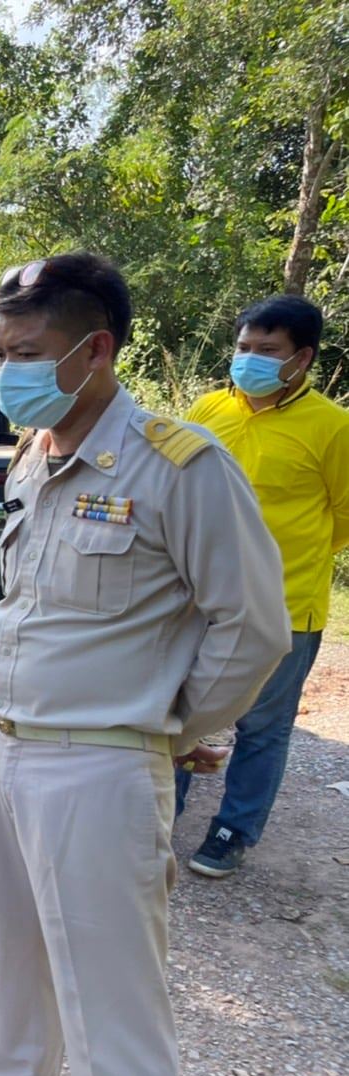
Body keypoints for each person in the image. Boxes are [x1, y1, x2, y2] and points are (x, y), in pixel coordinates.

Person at [0, 253, 291, 1076]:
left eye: (28, 353)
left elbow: (253, 625)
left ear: (97, 350)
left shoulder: (180, 465)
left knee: (113, 1009)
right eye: (1, 352)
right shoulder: (32, 458)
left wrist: (168, 729)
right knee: (17, 976)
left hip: (99, 766)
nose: (9, 372)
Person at [175, 294, 349, 877]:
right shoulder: (206, 410)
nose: (249, 360)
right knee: (176, 709)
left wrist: (277, 559)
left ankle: (233, 830)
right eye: (244, 348)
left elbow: (344, 516)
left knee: (263, 726)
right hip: (198, 597)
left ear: (301, 358)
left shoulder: (332, 427)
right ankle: (157, 817)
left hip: (285, 603)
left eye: (266, 351)